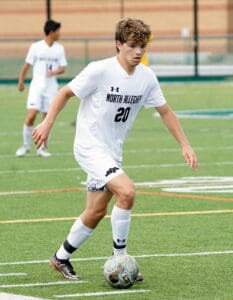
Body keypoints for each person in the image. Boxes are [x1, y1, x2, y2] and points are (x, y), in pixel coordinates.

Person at [32, 18, 198, 281]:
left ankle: (60, 258)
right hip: (89, 146)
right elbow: (64, 93)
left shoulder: (146, 77)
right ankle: (119, 257)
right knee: (127, 191)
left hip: (112, 151)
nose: (138, 52)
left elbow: (165, 111)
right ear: (118, 45)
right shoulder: (99, 70)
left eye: (142, 46)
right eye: (132, 46)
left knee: (96, 211)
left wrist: (185, 144)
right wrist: (47, 122)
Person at [16, 19, 67, 157]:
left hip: (51, 88)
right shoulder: (36, 47)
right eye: (58, 31)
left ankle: (41, 148)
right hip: (36, 87)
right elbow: (26, 65)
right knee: (31, 115)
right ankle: (25, 146)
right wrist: (21, 81)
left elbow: (63, 68)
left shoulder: (59, 48)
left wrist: (55, 72)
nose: (59, 34)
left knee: (46, 119)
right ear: (51, 32)